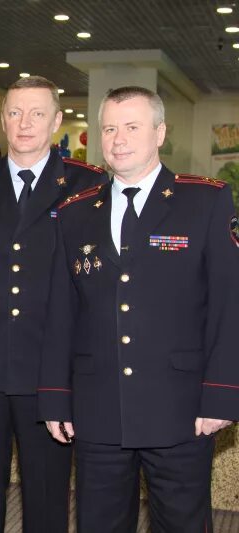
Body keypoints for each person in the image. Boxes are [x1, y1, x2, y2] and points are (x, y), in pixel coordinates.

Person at [39, 86, 239, 532]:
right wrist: (55, 395)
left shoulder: (204, 201)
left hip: (182, 409)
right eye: (109, 128)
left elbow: (230, 304)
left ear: (160, 132)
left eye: (132, 126)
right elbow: (61, 312)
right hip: (97, 409)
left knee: (183, 523)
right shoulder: (74, 213)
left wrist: (222, 393)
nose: (118, 139)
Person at [0, 75, 107, 533]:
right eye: (16, 113)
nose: (25, 123)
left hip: (52, 373)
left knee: (47, 499)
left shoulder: (88, 184)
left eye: (38, 113)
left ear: (58, 120)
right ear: (2, 119)